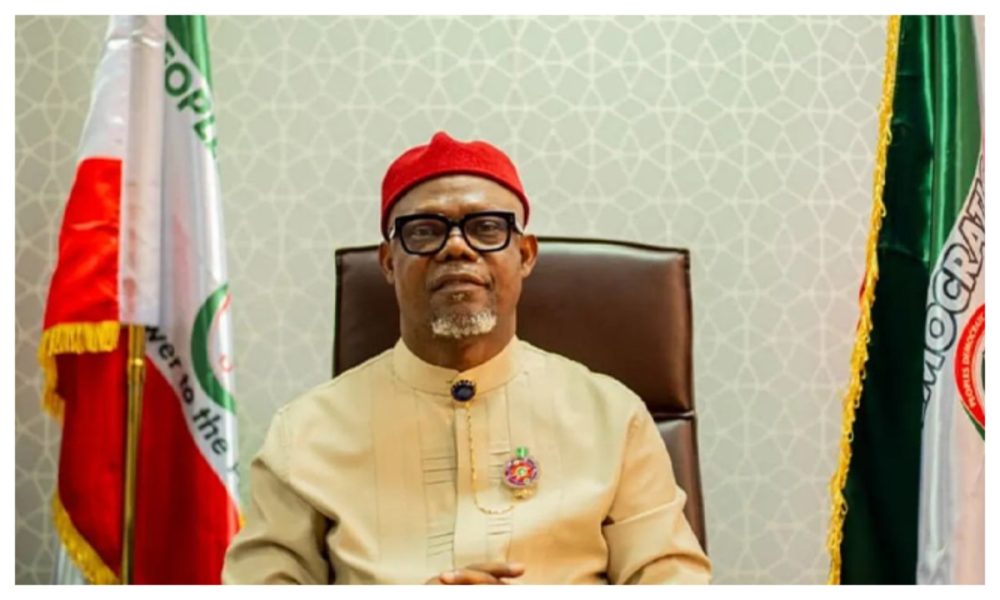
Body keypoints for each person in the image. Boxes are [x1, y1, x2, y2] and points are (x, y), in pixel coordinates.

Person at [221, 132, 711, 584]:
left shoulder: (612, 417)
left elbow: (674, 582)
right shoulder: (304, 433)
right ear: (389, 262)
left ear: (525, 254)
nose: (456, 247)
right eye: (424, 231)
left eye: (486, 227)